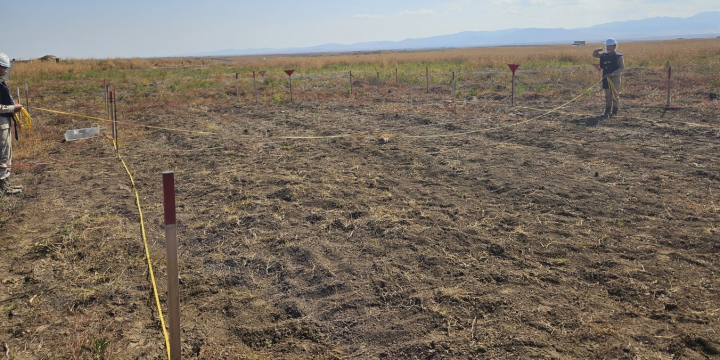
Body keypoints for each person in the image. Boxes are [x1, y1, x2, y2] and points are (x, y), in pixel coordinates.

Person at [0, 52, 23, 195]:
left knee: (6, 154)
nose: (6, 70)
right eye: (3, 67)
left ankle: (5, 183)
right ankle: (3, 187)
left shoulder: (1, 83)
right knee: (2, 155)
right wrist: (12, 108)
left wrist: (12, 103)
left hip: (5, 123)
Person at [592, 38, 625, 117]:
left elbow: (622, 68)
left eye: (610, 46)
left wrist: (613, 74)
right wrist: (597, 50)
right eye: (607, 46)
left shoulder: (618, 56)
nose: (608, 47)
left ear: (614, 46)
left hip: (615, 79)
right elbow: (594, 55)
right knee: (607, 95)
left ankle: (614, 111)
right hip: (606, 78)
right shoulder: (604, 55)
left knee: (615, 95)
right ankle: (607, 110)